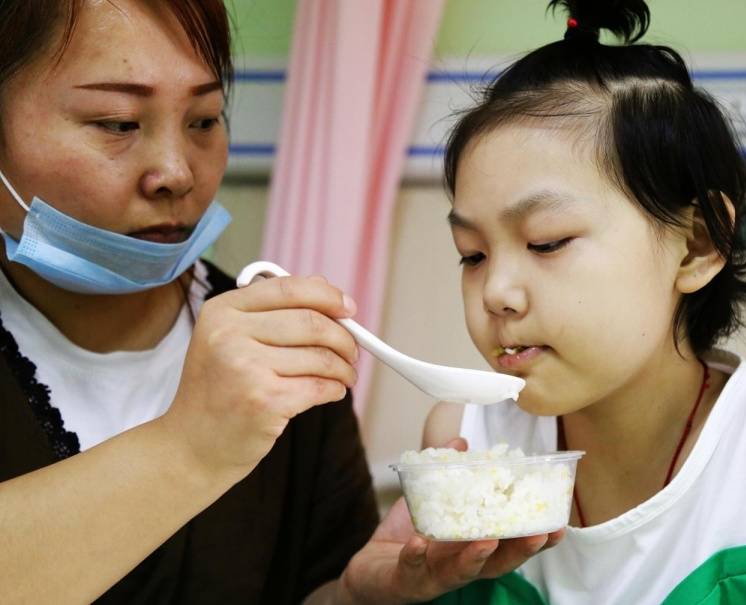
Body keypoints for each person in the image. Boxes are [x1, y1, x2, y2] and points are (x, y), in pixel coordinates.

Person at [0, 1, 560, 603]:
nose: (176, 172)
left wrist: (360, 593)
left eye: (205, 120)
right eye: (117, 123)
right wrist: (191, 447)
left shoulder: (283, 354)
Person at [423, 1, 746, 603]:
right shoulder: (463, 443)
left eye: (547, 242)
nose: (495, 293)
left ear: (696, 244)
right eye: (472, 254)